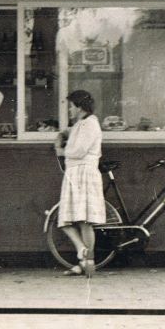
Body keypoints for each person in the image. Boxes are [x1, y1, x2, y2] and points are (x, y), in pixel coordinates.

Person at [55, 90, 105, 278]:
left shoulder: (90, 125)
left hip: (83, 173)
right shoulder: (82, 124)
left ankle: (86, 260)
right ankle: (83, 253)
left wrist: (61, 149)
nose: (69, 109)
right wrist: (64, 133)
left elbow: (77, 150)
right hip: (75, 174)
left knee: (84, 221)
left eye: (71, 105)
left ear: (79, 107)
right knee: (68, 219)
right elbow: (72, 135)